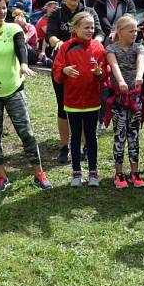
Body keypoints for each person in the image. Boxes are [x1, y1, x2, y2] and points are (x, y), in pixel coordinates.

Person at [0, 0, 52, 192]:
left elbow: (20, 48)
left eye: (3, 7)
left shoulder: (14, 29)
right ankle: (2, 176)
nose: (1, 11)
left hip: (14, 88)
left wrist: (24, 66)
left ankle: (39, 173)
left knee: (27, 133)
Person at [46, 0, 104, 164]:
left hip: (88, 67)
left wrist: (95, 44)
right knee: (63, 108)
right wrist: (61, 44)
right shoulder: (56, 14)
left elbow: (100, 32)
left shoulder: (89, 11)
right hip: (64, 68)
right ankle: (65, 146)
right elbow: (50, 36)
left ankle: (87, 145)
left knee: (88, 107)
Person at [52, 12, 107, 187]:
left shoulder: (99, 48)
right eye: (86, 27)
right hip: (73, 102)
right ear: (75, 28)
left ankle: (93, 172)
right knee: (75, 136)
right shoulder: (66, 47)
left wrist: (100, 74)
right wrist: (64, 71)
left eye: (92, 27)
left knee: (91, 137)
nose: (90, 30)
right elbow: (56, 71)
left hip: (92, 102)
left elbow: (105, 75)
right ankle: (76, 173)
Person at [105, 15, 144, 189]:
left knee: (134, 135)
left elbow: (141, 62)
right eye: (131, 31)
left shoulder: (139, 47)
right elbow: (113, 66)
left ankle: (135, 172)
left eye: (136, 31)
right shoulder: (111, 49)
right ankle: (119, 173)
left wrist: (139, 76)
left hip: (135, 99)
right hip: (120, 100)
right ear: (120, 31)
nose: (134, 34)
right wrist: (120, 81)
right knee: (120, 135)